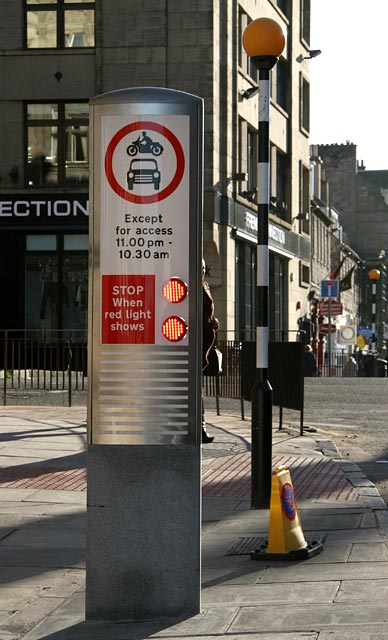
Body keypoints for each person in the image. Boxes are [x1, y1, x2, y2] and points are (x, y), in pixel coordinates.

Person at [202, 260, 219, 443]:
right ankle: (200, 427)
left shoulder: (204, 285)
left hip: (204, 345)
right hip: (196, 343)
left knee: (199, 387)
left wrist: (213, 322)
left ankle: (200, 426)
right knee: (196, 388)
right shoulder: (195, 286)